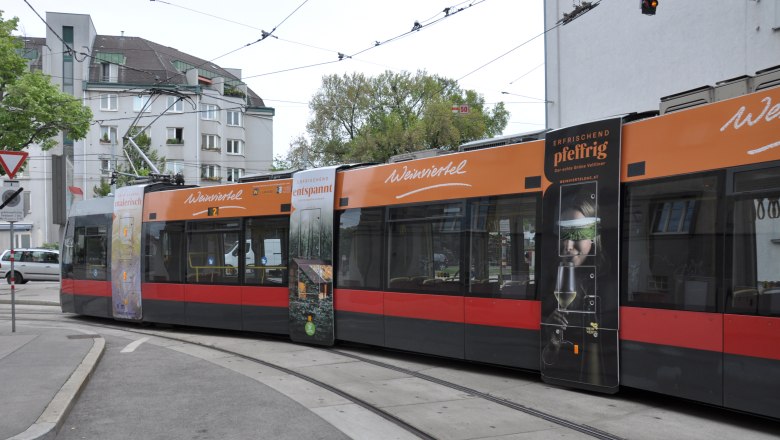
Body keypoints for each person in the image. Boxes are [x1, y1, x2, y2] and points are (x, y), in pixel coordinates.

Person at [542, 185, 607, 386]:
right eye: (563, 234)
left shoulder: (607, 287)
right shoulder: (550, 283)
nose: (568, 245)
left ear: (594, 239)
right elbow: (547, 364)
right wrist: (552, 345)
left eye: (578, 234)